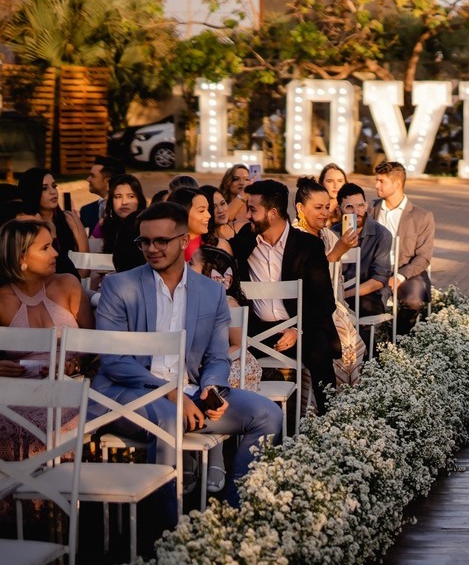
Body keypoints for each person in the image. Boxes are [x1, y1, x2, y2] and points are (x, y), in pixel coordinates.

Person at [93, 202, 282, 508]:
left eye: (161, 241)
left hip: (191, 393)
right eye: (144, 241)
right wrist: (171, 394)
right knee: (170, 419)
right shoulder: (119, 286)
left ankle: (236, 512)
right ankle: (165, 528)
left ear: (184, 241)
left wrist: (212, 387)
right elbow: (114, 360)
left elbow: (217, 356)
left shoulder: (211, 291)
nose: (151, 249)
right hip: (129, 394)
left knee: (269, 414)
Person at [230, 179, 339, 416]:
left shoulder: (309, 245)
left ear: (272, 213)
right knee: (222, 355)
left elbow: (325, 301)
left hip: (300, 331)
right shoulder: (245, 239)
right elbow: (220, 256)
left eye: (253, 210)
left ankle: (332, 421)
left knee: (320, 352)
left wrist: (297, 329)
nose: (247, 216)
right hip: (254, 333)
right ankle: (238, 424)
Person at [0, 220, 93, 462]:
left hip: (70, 385)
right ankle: (19, 484)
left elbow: (94, 344)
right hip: (18, 390)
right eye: (45, 248)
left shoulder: (68, 285)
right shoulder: (2, 299)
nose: (55, 254)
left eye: (52, 245)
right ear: (21, 256)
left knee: (53, 422)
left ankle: (56, 483)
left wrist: (75, 364)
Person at [188, 244, 263, 494]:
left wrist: (209, 361)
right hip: (203, 362)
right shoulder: (189, 300)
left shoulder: (228, 302)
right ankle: (187, 457)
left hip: (236, 361)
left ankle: (216, 458)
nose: (187, 267)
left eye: (192, 264)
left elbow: (238, 345)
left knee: (215, 387)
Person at [292, 178, 364, 386]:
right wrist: (337, 252)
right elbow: (308, 280)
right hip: (304, 312)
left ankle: (346, 397)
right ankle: (323, 399)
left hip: (331, 306)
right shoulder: (294, 236)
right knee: (343, 341)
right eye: (318, 208)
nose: (324, 213)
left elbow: (336, 283)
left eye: (326, 207)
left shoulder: (327, 235)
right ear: (300, 208)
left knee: (353, 343)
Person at [370, 161, 434, 335]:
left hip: (407, 272)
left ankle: (398, 340)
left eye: (381, 181)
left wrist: (399, 276)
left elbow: (424, 257)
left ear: (397, 184)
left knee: (413, 300)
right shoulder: (370, 210)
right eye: (376, 180)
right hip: (375, 272)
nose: (376, 185)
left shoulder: (422, 216)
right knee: (366, 303)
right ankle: (370, 343)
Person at [334, 182, 393, 340]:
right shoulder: (332, 234)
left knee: (362, 307)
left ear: (366, 205)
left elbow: (379, 279)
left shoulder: (382, 234)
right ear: (339, 210)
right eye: (349, 207)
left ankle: (364, 353)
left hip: (369, 295)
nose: (356, 212)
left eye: (360, 205)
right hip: (337, 295)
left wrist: (345, 294)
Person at [17, 167, 89, 273]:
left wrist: (74, 281)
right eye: (44, 188)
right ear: (32, 192)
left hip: (73, 279)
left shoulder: (70, 218)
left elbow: (85, 265)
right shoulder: (25, 223)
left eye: (54, 186)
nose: (53, 192)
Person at [99, 173, 148, 274]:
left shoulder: (147, 226)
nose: (124, 202)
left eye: (131, 196)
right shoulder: (107, 225)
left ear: (139, 199)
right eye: (118, 197)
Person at [167, 187, 231, 262]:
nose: (209, 215)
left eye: (208, 210)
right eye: (201, 211)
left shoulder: (219, 246)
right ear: (183, 213)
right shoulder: (165, 249)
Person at [81, 156, 125, 235]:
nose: (88, 179)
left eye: (92, 176)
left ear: (108, 181)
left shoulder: (126, 211)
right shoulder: (86, 211)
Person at [219, 164, 252, 234]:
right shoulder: (219, 203)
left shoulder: (253, 206)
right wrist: (242, 196)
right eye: (236, 179)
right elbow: (225, 218)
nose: (242, 183)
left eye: (247, 179)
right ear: (228, 182)